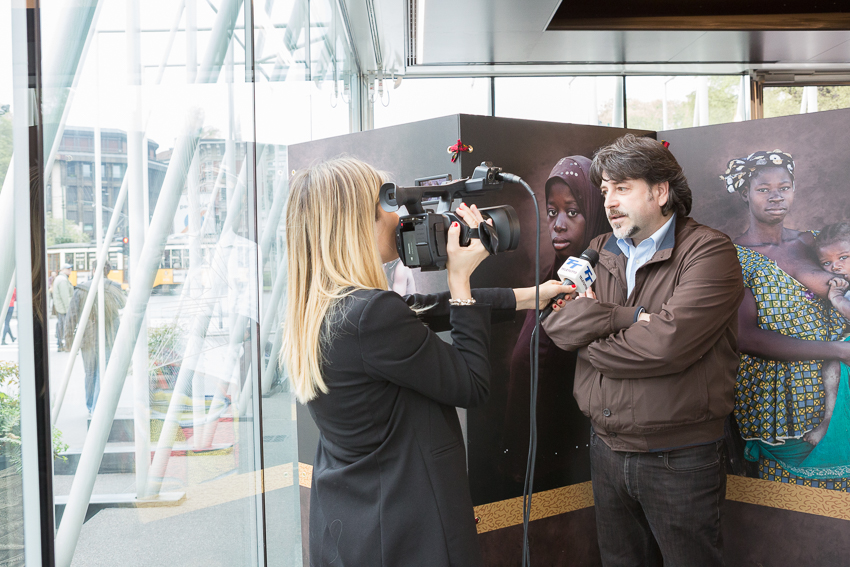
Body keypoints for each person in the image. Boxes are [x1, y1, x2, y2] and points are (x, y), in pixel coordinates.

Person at [280, 157, 571, 567]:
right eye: (386, 205)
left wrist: (532, 295)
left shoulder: (324, 309)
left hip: (354, 519)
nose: (396, 217)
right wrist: (460, 279)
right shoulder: (372, 315)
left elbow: (422, 309)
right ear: (355, 223)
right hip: (406, 529)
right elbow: (472, 384)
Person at [543, 134, 744, 567]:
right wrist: (628, 319)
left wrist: (591, 338)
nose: (609, 201)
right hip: (607, 449)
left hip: (679, 458)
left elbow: (666, 346)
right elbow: (557, 326)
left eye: (622, 187)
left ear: (660, 191)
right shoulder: (599, 250)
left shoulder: (710, 251)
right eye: (604, 190)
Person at [722, 152, 850, 490]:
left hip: (839, 389)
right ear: (744, 193)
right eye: (763, 188)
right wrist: (837, 348)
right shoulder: (733, 256)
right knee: (793, 509)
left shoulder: (819, 242)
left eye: (784, 186)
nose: (776, 195)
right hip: (783, 397)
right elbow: (746, 337)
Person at [502, 155, 609, 488]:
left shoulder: (609, 281)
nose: (558, 224)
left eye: (573, 212)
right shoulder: (551, 280)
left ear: (594, 213)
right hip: (534, 460)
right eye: (552, 212)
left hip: (583, 467)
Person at [64, 262, 126, 415]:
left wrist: (69, 340)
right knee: (104, 372)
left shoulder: (81, 289)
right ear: (109, 271)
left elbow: (71, 316)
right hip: (109, 336)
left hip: (88, 338)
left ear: (93, 270)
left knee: (90, 373)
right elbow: (122, 304)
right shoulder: (114, 287)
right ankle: (100, 407)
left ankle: (92, 406)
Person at [53, 264, 74, 351]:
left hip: (60, 308)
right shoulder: (63, 280)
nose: (70, 270)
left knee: (61, 325)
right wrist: (68, 309)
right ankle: (65, 345)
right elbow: (65, 297)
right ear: (63, 270)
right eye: (68, 269)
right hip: (63, 309)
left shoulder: (60, 278)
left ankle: (60, 344)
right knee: (66, 326)